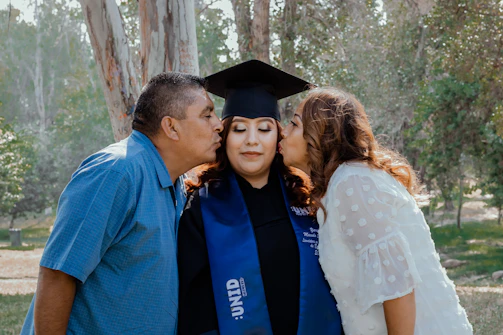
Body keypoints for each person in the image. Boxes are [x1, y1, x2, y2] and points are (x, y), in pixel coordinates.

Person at [20, 72, 223, 335]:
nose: (218, 124)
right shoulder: (116, 172)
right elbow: (57, 275)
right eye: (207, 115)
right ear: (171, 127)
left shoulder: (176, 183)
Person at [279, 87, 473, 334]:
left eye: (294, 124)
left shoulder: (353, 183)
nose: (283, 132)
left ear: (321, 134)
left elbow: (397, 285)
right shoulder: (345, 182)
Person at [177, 60, 343, 335]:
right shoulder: (202, 209)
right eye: (240, 129)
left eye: (264, 129)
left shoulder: (307, 200)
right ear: (224, 137)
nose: (251, 141)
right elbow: (194, 304)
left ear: (278, 137)